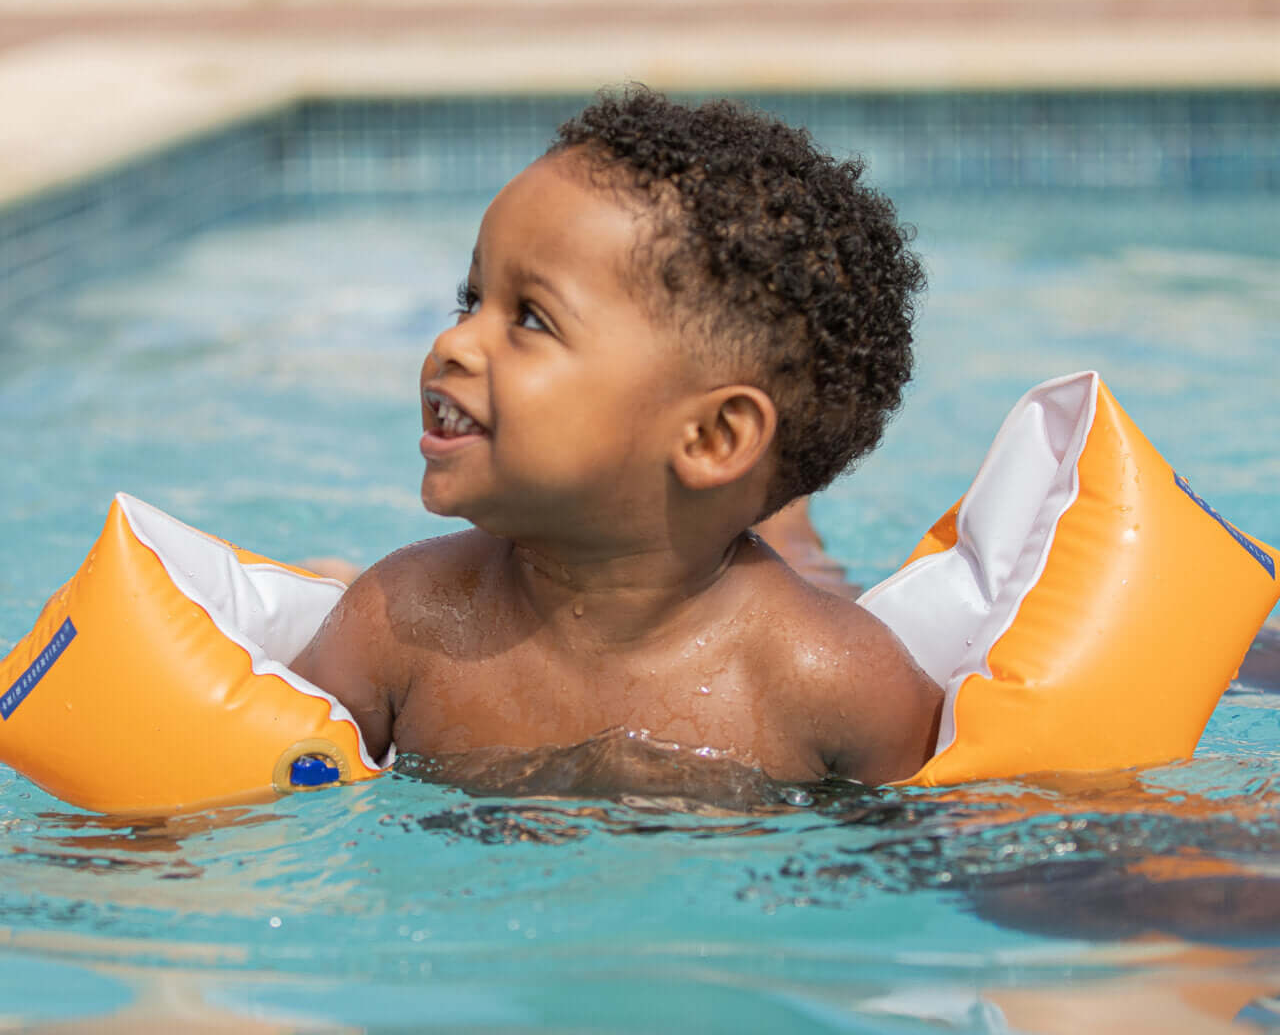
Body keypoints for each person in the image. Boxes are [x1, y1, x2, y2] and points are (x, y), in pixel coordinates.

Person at [291, 87, 940, 790]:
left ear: (712, 436)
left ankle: (788, 526)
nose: (453, 343)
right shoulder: (402, 621)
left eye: (531, 319)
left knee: (810, 571)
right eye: (471, 300)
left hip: (786, 593)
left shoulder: (836, 685)